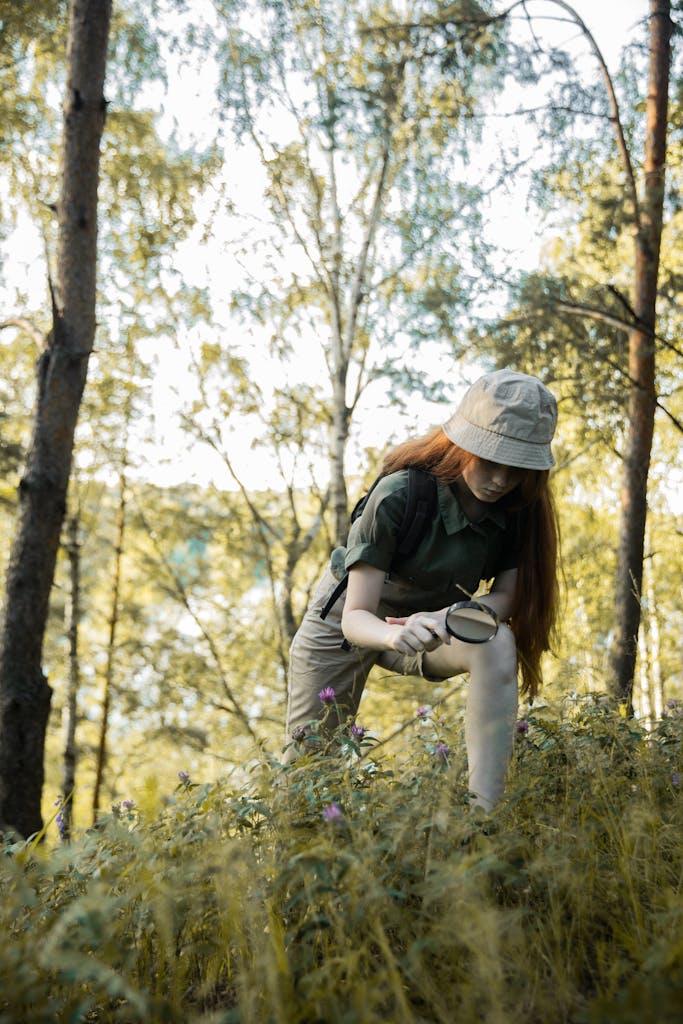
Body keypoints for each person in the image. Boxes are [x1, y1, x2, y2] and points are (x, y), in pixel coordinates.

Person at [284, 369, 561, 811]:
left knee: (497, 640)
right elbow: (356, 616)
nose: (501, 479)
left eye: (518, 468)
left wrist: (444, 618)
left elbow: (507, 598)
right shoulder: (401, 493)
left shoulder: (518, 510)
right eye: (491, 460)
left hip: (433, 623)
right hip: (347, 624)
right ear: (463, 443)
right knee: (307, 770)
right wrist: (393, 634)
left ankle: (483, 819)